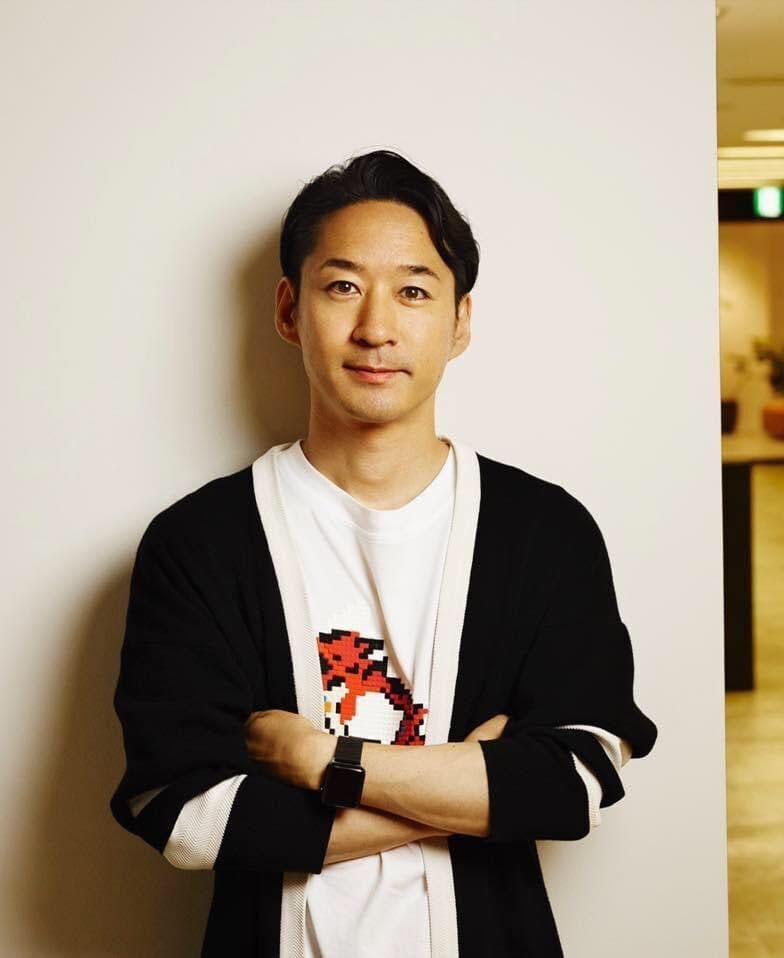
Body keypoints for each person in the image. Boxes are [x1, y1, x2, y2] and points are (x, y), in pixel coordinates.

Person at [109, 148, 657, 958]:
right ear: (289, 310)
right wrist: (471, 780)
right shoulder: (200, 542)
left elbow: (574, 786)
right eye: (342, 287)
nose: (376, 328)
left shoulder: (544, 531)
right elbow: (190, 819)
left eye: (413, 291)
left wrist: (320, 759)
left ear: (460, 321)